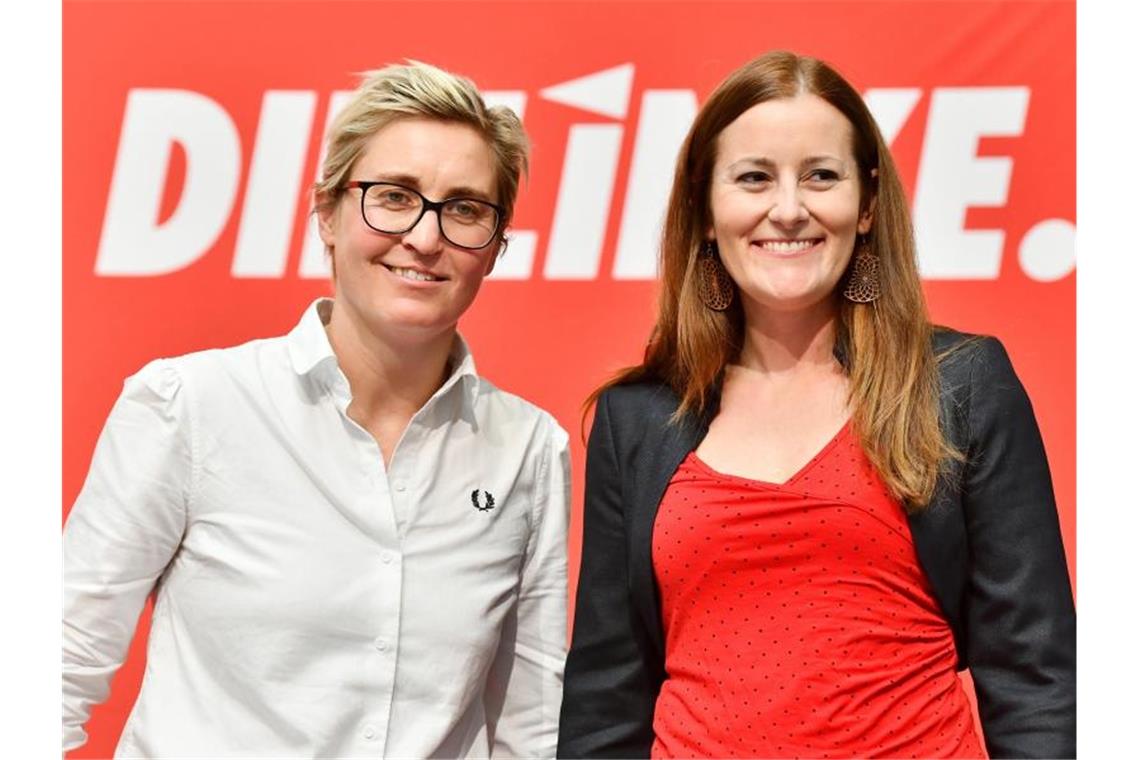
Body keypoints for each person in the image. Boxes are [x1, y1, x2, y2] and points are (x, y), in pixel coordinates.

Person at [557, 50, 1074, 759]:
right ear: (705, 210)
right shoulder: (637, 416)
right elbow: (606, 701)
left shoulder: (961, 383)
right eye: (754, 178)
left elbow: (1035, 677)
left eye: (820, 176)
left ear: (866, 205)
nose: (790, 208)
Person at [64, 61, 569, 758]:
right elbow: (58, 664)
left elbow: (530, 722)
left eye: (465, 209)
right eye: (394, 197)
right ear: (327, 216)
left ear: (495, 248)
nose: (426, 238)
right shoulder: (191, 405)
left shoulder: (529, 448)